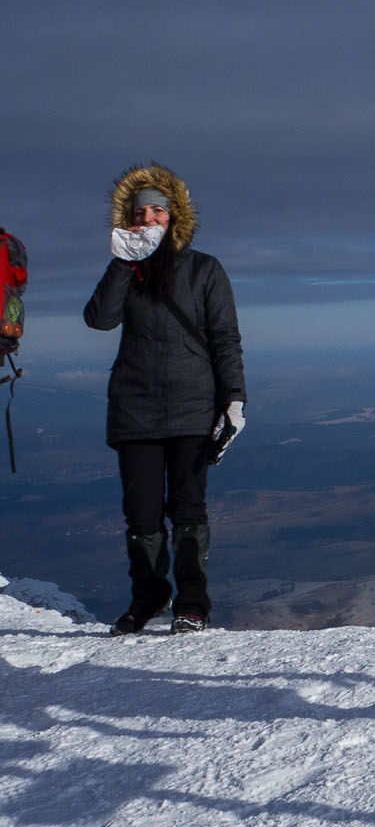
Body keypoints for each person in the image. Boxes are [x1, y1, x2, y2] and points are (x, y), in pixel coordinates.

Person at [84, 164, 246, 635]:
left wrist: (234, 399)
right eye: (140, 213)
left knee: (188, 509)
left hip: (193, 406)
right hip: (134, 409)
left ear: (175, 217)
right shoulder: (126, 271)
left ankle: (192, 603)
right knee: (141, 514)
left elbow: (225, 338)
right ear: (129, 221)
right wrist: (122, 260)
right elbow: (99, 320)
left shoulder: (204, 269)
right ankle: (149, 597)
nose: (149, 219)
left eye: (158, 210)